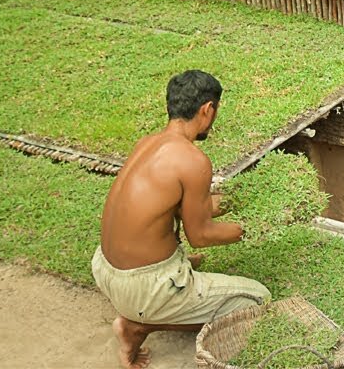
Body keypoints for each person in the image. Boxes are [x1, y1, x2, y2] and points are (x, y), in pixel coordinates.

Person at [92, 70, 270, 369]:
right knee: (259, 300)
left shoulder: (148, 143)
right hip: (142, 286)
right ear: (207, 109)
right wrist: (255, 228)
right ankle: (137, 327)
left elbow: (186, 209)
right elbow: (201, 234)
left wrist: (242, 198)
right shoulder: (193, 160)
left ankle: (150, 304)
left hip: (106, 268)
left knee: (177, 248)